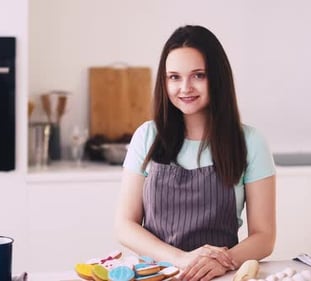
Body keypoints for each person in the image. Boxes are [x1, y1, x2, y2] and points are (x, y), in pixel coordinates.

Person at [114, 25, 276, 281]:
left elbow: (264, 236)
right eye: (174, 77)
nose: (185, 87)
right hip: (157, 274)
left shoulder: (250, 142)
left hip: (220, 276)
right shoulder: (147, 136)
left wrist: (224, 262)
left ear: (217, 77)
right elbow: (125, 225)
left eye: (198, 75)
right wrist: (182, 259)